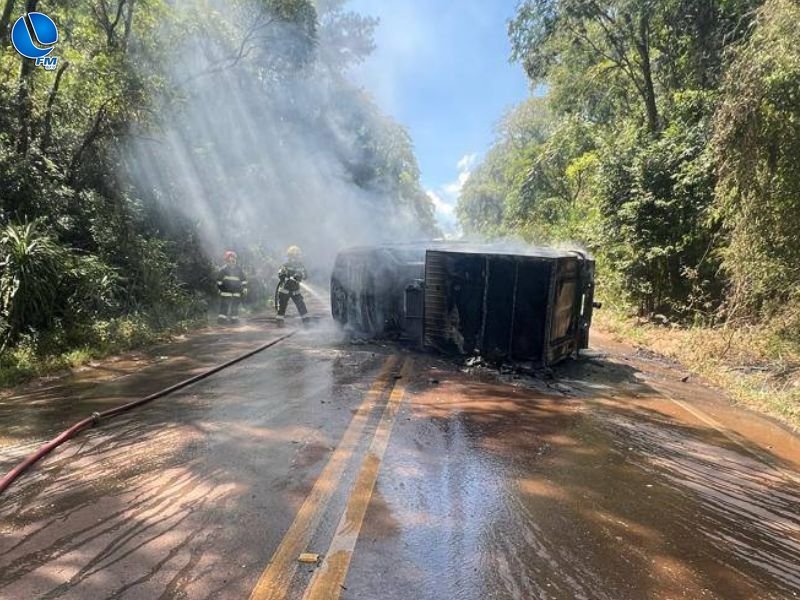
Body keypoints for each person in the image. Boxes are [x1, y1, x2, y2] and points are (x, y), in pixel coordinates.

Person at [276, 245, 309, 326]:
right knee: (282, 307)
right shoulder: (285, 265)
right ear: (290, 256)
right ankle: (280, 321)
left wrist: (300, 275)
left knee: (301, 305)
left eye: (298, 255)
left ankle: (306, 321)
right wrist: (285, 276)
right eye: (296, 255)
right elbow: (280, 274)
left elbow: (306, 275)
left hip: (295, 290)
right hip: (285, 290)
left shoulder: (300, 265)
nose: (297, 257)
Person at [217, 250, 248, 323]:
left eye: (233, 260)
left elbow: (243, 280)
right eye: (230, 260)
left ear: (235, 260)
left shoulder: (239, 270)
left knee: (235, 306)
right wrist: (221, 289)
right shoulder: (223, 270)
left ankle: (234, 319)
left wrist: (244, 288)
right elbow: (219, 281)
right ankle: (222, 319)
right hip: (226, 292)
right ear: (226, 261)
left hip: (236, 291)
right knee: (224, 305)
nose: (232, 262)